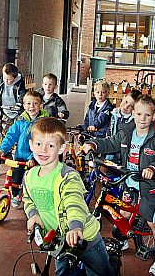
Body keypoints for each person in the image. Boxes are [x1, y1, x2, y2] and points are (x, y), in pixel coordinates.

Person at [82, 95, 155, 276]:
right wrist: (93, 144)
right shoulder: (126, 132)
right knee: (123, 212)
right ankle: (124, 237)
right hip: (129, 183)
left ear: (154, 116)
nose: (142, 119)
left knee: (152, 222)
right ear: (133, 113)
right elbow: (110, 142)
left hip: (149, 188)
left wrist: (153, 168)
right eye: (139, 114)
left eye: (147, 115)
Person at [23, 117, 114, 276]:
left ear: (61, 148)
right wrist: (33, 215)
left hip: (84, 236)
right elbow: (28, 200)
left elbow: (74, 202)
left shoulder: (68, 176)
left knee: (101, 272)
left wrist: (75, 226)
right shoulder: (29, 176)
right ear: (31, 144)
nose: (43, 150)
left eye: (50, 145)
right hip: (58, 241)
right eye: (38, 144)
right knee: (63, 272)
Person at [0, 90, 48, 207]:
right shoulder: (20, 121)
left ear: (41, 105)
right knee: (15, 177)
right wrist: (2, 149)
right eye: (28, 104)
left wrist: (34, 157)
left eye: (35, 103)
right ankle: (15, 195)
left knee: (35, 179)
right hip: (20, 156)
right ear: (24, 106)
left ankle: (35, 199)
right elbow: (11, 136)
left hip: (37, 156)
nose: (31, 106)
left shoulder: (44, 122)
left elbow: (43, 142)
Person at [106, 89, 142, 164]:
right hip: (110, 149)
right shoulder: (114, 114)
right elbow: (110, 129)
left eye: (131, 106)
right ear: (124, 97)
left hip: (124, 152)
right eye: (126, 102)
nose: (126, 107)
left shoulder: (133, 121)